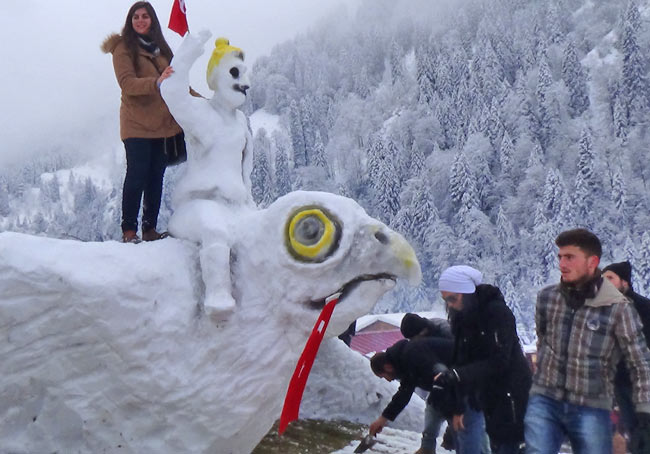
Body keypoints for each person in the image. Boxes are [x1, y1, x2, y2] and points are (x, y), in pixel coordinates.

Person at [524, 229, 650, 454]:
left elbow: (641, 361)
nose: (562, 263)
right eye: (560, 257)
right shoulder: (548, 298)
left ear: (592, 262)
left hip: (603, 394)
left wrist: (645, 410)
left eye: (569, 257)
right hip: (552, 396)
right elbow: (544, 341)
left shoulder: (627, 309)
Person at [101, 1, 182, 243]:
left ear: (152, 20)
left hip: (162, 125)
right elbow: (127, 83)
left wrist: (206, 102)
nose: (140, 20)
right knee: (137, 174)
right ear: (130, 21)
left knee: (156, 176)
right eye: (136, 16)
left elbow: (179, 84)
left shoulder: (162, 49)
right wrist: (156, 82)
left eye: (145, 16)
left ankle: (149, 230)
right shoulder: (123, 48)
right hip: (136, 124)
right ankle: (129, 231)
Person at [433, 265, 531, 454]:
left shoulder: (497, 313)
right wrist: (457, 402)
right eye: (446, 300)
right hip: (487, 395)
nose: (450, 304)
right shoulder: (462, 319)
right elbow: (461, 360)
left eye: (453, 298)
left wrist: (458, 375)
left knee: (511, 445)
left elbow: (500, 360)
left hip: (512, 394)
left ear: (467, 293)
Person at [368, 336, 456, 453]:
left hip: (459, 378)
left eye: (384, 377)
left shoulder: (412, 355)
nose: (389, 380)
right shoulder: (403, 361)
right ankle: (427, 448)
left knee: (454, 414)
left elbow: (441, 373)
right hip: (443, 384)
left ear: (387, 367)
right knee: (433, 406)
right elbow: (404, 392)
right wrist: (383, 419)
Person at [603, 261, 650, 448]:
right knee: (631, 432)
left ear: (625, 282)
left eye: (610, 278)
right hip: (620, 383)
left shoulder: (644, 308)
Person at [400, 313, 455, 454]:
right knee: (432, 404)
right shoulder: (425, 334)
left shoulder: (447, 333)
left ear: (422, 332)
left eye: (414, 338)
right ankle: (427, 447)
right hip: (440, 378)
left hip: (459, 375)